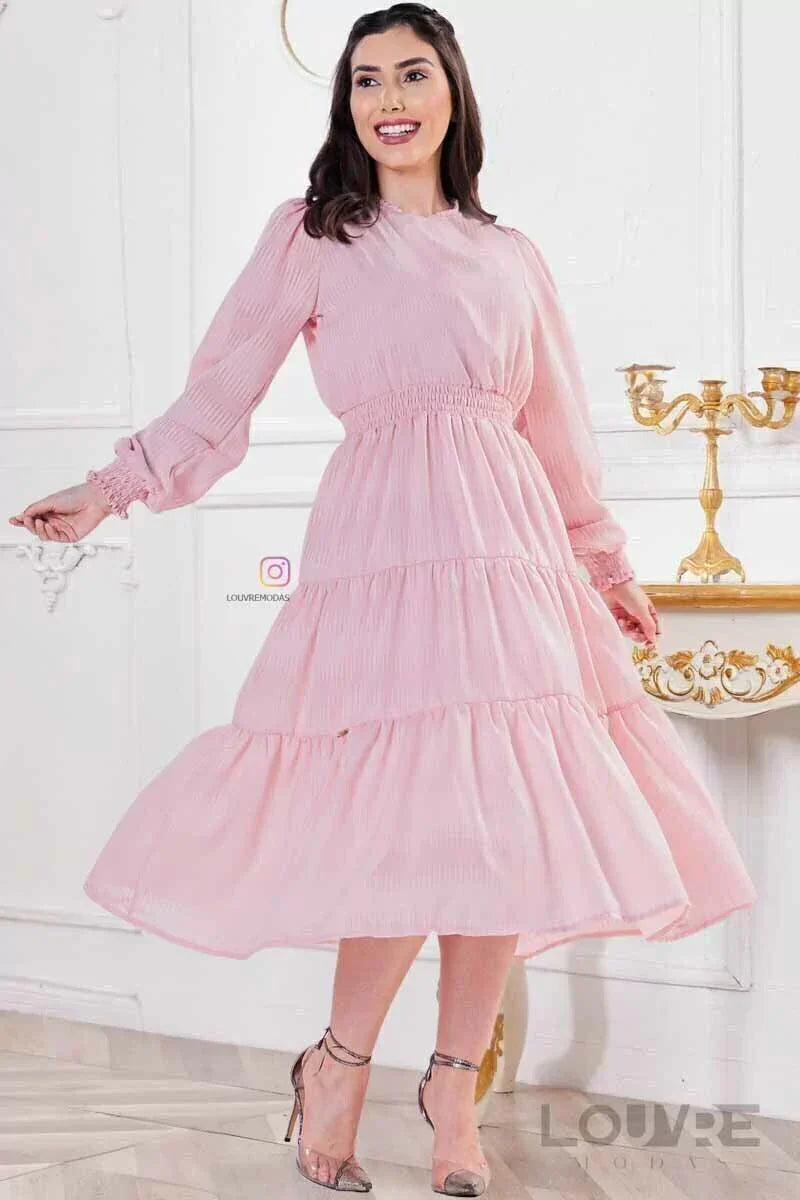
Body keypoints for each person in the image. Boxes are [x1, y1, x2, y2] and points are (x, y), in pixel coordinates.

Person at [9, 4, 758, 1196]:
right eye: (365, 81)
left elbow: (556, 429)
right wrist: (110, 489)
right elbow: (221, 390)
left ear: (452, 92)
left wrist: (604, 566)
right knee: (398, 818)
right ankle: (340, 1066)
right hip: (385, 543)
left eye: (411, 74)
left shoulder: (510, 255)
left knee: (504, 818)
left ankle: (452, 1091)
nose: (388, 99)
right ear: (346, 104)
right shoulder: (315, 235)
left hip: (509, 549)